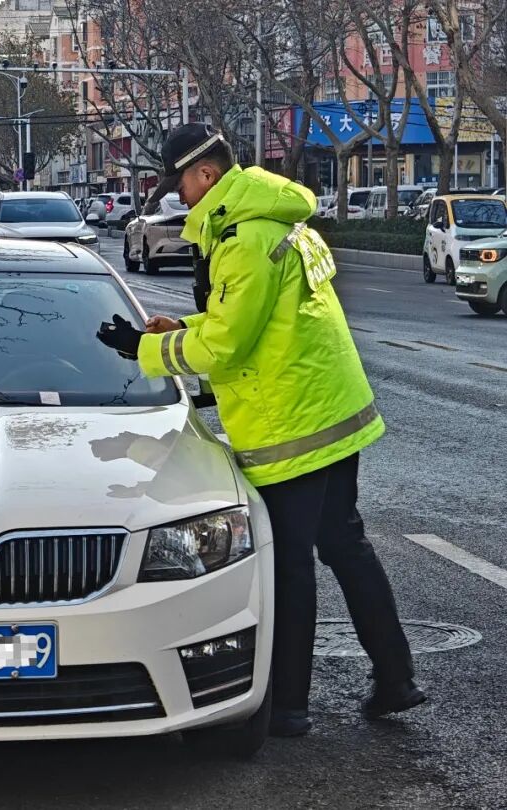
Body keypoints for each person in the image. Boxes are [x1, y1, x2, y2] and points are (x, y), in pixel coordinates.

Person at [96, 123, 424, 737]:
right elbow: (248, 319)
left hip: (291, 422)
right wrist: (177, 330)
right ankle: (396, 676)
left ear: (207, 175)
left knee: (290, 563)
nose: (179, 199)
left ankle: (289, 707)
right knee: (345, 545)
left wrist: (145, 349)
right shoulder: (272, 217)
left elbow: (227, 341)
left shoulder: (243, 239)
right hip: (330, 408)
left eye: (181, 185)